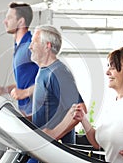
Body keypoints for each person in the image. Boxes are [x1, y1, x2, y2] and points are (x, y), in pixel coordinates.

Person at [27, 25, 87, 162]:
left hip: (51, 154)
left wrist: (53, 134)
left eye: (34, 42)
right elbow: (53, 109)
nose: (30, 46)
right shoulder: (44, 71)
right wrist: (28, 119)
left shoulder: (58, 72)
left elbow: (80, 109)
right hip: (40, 151)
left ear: (47, 46)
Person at [0, 2, 39, 117]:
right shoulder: (19, 46)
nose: (5, 21)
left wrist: (25, 93)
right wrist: (4, 90)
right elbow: (28, 82)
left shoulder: (31, 45)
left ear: (21, 21)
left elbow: (50, 80)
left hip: (37, 114)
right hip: (25, 112)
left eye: (9, 18)